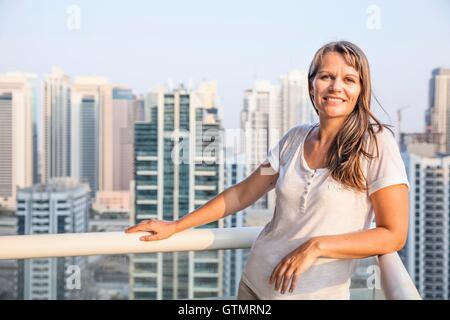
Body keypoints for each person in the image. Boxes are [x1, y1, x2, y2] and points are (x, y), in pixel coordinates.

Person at [125, 40, 410, 300]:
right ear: (312, 86)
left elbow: (393, 234)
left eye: (349, 79)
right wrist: (176, 226)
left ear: (361, 90)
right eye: (326, 77)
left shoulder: (376, 144)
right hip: (253, 285)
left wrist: (316, 246)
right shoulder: (294, 139)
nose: (336, 87)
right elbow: (243, 193)